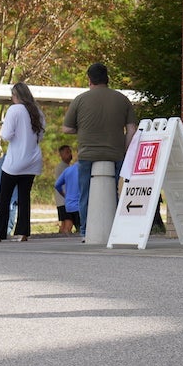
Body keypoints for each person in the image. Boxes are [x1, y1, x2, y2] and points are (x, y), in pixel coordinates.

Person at [63, 63, 138, 239]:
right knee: (117, 192)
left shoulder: (80, 100)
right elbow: (132, 129)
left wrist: (82, 129)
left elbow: (66, 128)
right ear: (107, 79)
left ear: (89, 79)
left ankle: (86, 231)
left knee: (85, 194)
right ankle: (117, 229)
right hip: (116, 154)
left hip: (88, 155)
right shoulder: (122, 99)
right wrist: (126, 152)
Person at [0, 82, 46, 242]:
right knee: (24, 197)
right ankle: (23, 232)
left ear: (16, 96)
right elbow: (40, 136)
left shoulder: (14, 110)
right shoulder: (37, 111)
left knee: (4, 197)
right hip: (33, 160)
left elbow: (6, 135)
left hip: (15, 162)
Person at [53, 160, 81, 234]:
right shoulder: (84, 170)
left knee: (67, 227)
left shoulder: (68, 170)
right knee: (81, 229)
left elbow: (57, 185)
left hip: (68, 205)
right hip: (80, 206)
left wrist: (64, 194)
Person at [54, 145, 75, 234]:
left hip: (62, 201)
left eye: (70, 152)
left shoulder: (66, 167)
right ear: (61, 155)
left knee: (64, 223)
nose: (69, 154)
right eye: (67, 152)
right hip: (65, 200)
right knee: (68, 223)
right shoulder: (63, 168)